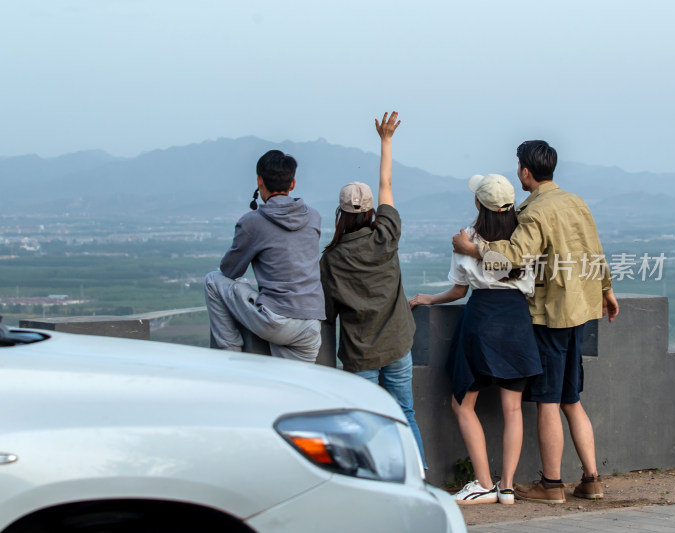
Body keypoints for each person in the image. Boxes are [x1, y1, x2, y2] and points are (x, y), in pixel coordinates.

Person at [452, 140, 620, 504]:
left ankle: (552, 485)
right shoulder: (576, 201)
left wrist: (473, 249)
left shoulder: (534, 212)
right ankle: (592, 479)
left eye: (518, 166)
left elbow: (512, 258)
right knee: (571, 399)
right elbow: (594, 250)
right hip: (581, 308)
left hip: (550, 314)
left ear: (525, 171)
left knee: (548, 401)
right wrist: (606, 289)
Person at [410, 174, 542, 505]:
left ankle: (483, 483)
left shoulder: (466, 238)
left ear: (478, 203)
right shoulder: (526, 235)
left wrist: (429, 299)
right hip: (517, 319)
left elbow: (459, 290)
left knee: (463, 403)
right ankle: (507, 487)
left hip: (481, 318)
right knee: (512, 408)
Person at [319, 111, 425, 463]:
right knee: (405, 414)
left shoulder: (331, 260)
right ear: (369, 213)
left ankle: (373, 483)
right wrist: (386, 141)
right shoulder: (386, 236)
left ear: (341, 214)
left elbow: (327, 314)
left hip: (359, 353)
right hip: (396, 343)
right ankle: (418, 478)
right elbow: (386, 186)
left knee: (364, 422)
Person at [204, 149, 324, 362]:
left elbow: (230, 271)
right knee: (294, 389)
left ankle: (230, 356)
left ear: (259, 181)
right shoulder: (313, 216)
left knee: (213, 280)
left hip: (275, 320)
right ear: (292, 183)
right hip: (311, 324)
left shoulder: (252, 221)